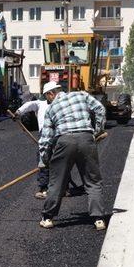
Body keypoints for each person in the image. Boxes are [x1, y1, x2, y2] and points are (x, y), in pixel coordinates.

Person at [38, 82, 107, 231]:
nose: (48, 101)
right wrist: (97, 131)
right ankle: (99, 219)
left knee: (57, 182)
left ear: (51, 94)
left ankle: (48, 218)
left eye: (47, 97)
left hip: (64, 142)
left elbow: (46, 139)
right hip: (86, 139)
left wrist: (45, 160)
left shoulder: (51, 109)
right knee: (93, 181)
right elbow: (100, 109)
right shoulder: (81, 95)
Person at [14, 92, 81, 200]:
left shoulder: (61, 104)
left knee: (62, 160)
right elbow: (29, 105)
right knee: (43, 161)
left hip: (59, 134)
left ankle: (64, 188)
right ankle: (44, 188)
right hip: (44, 134)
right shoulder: (40, 103)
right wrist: (18, 112)